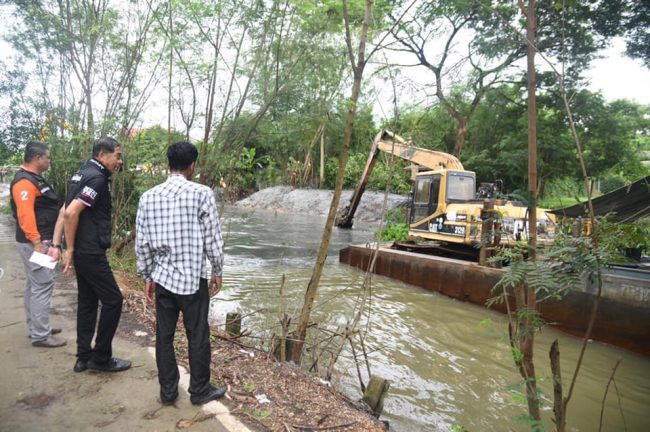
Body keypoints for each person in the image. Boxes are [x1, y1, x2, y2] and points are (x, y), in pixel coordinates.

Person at [136, 141, 225, 406]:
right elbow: (212, 238)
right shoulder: (202, 193)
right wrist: (217, 269)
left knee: (164, 336)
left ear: (168, 164)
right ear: (192, 165)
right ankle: (199, 391)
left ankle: (168, 392)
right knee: (197, 334)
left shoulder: (148, 197)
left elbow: (142, 243)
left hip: (163, 278)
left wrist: (147, 276)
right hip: (192, 279)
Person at [63, 137, 131, 373]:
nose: (119, 161)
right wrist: (69, 249)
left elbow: (64, 209)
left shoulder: (81, 172)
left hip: (83, 250)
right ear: (103, 154)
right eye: (117, 156)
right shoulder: (98, 178)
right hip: (90, 251)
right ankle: (101, 358)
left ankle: (83, 356)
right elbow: (71, 213)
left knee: (88, 302)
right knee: (113, 300)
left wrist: (63, 245)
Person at [10, 141, 66, 348]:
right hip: (36, 243)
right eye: (47, 157)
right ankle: (41, 335)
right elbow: (25, 216)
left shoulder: (35, 179)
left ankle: (37, 326)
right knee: (42, 284)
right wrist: (37, 242)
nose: (49, 160)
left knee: (34, 284)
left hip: (38, 241)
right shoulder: (24, 182)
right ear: (37, 158)